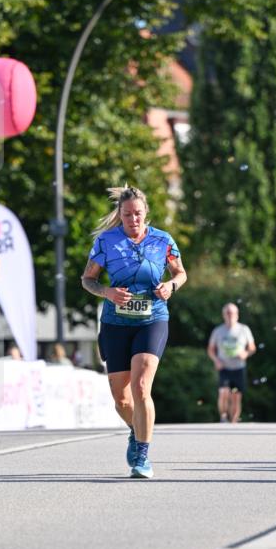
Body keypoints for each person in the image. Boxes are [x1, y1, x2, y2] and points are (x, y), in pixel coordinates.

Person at [81, 185, 186, 479]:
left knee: (141, 387)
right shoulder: (106, 241)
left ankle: (142, 454)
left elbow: (180, 273)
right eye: (127, 215)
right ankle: (135, 428)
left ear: (146, 213)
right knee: (122, 400)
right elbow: (87, 279)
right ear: (120, 214)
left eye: (138, 214)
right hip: (115, 323)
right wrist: (107, 292)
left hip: (152, 319)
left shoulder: (162, 240)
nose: (133, 219)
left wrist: (171, 286)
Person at [207, 303, 256, 424]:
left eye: (232, 313)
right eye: (227, 313)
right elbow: (210, 350)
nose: (230, 315)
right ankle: (223, 417)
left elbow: (252, 348)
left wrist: (246, 353)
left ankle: (233, 423)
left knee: (236, 396)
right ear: (223, 315)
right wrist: (216, 360)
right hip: (224, 368)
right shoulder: (218, 331)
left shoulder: (244, 329)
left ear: (237, 315)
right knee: (223, 392)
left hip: (238, 368)